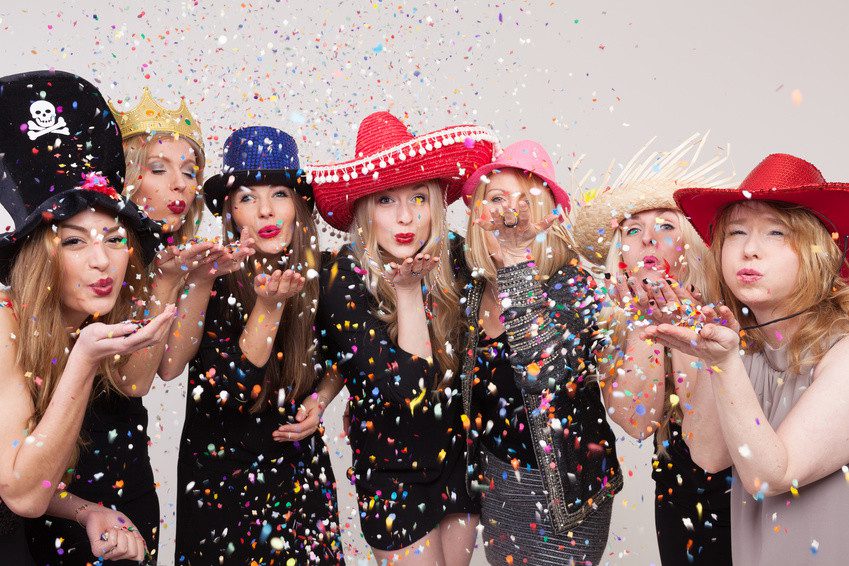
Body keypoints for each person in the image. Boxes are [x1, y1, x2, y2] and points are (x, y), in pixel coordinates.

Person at [306, 110, 497, 564]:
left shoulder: (457, 257)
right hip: (392, 473)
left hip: (458, 458)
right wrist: (409, 293)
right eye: (387, 200)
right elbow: (410, 389)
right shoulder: (340, 278)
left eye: (419, 198)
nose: (406, 216)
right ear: (364, 211)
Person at [0, 70, 173, 565]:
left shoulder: (84, 317)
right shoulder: (5, 324)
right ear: (39, 256)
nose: (102, 261)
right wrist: (84, 359)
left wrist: (87, 511)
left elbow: (38, 473)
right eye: (74, 241)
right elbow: (22, 494)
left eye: (114, 239)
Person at [644, 153, 849, 565]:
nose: (750, 250)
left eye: (776, 232)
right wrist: (706, 350)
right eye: (736, 232)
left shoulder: (842, 351)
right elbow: (708, 456)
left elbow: (771, 475)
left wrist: (725, 362)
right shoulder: (746, 345)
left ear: (819, 251)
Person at [160, 126, 344, 564]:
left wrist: (320, 399)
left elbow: (349, 356)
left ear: (299, 206)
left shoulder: (330, 273)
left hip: (301, 477)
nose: (265, 210)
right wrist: (268, 306)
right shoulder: (208, 276)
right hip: (221, 486)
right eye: (247, 197)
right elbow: (233, 389)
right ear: (230, 212)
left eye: (279, 194)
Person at [458, 140, 622, 565]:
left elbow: (543, 374)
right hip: (496, 485)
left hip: (563, 497)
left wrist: (516, 261)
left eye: (527, 201)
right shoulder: (471, 287)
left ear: (548, 216)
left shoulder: (574, 285)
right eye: (497, 199)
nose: (510, 214)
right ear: (478, 214)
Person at [573, 134, 734, 564]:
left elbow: (707, 439)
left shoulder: (730, 307)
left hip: (744, 491)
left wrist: (682, 323)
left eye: (666, 226)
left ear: (691, 242)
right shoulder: (610, 326)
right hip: (676, 492)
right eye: (633, 229)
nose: (648, 239)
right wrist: (645, 324)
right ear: (620, 253)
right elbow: (639, 423)